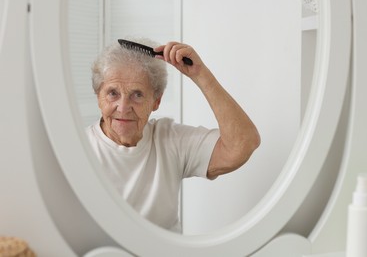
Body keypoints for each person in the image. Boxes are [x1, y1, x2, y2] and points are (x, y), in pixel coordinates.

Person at [86, 37, 260, 232]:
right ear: (98, 97)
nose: (124, 107)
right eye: (112, 93)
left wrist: (200, 74)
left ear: (156, 101)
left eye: (137, 94)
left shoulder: (169, 140)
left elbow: (243, 143)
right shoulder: (78, 148)